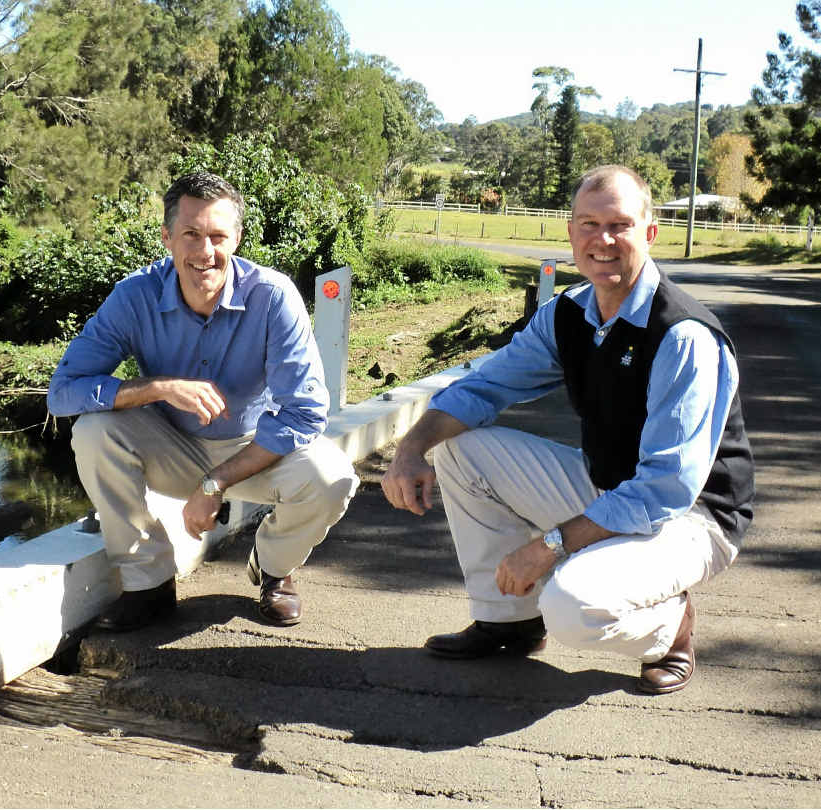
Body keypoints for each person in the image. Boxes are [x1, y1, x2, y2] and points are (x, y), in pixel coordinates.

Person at [381, 165, 754, 694]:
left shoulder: (684, 336)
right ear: (571, 231)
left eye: (619, 225)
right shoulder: (568, 315)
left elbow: (665, 489)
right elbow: (483, 390)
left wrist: (549, 546)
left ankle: (669, 627)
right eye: (587, 224)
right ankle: (507, 619)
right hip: (609, 487)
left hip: (691, 519)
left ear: (649, 233)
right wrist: (411, 446)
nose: (601, 240)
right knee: (459, 448)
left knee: (573, 605)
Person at [47, 171, 358, 630]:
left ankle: (273, 569)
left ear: (237, 238)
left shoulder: (273, 297)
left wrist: (214, 484)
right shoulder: (134, 296)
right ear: (167, 237)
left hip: (255, 449)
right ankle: (148, 584)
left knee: (332, 479)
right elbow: (63, 392)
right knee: (93, 431)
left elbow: (305, 412)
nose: (204, 251)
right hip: (170, 443)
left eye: (217, 236)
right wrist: (158, 388)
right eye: (190, 234)